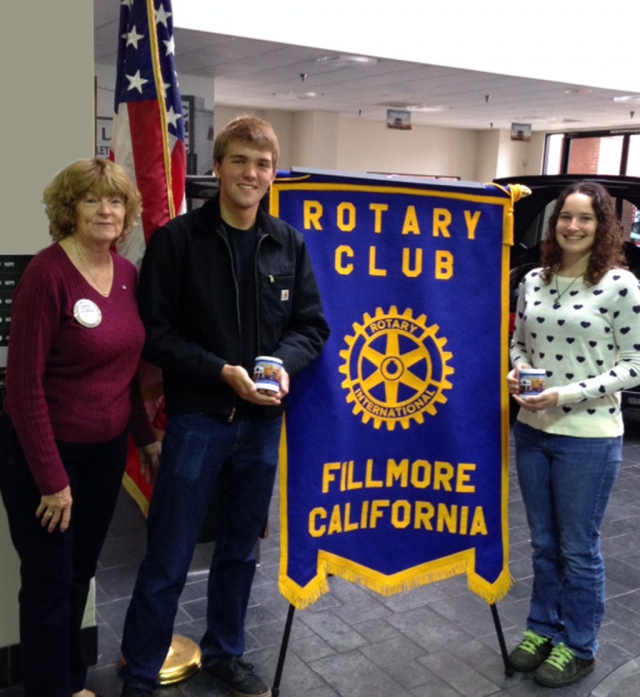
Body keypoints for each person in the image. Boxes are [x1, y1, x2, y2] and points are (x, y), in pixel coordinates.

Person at [119, 116, 330, 697]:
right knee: (168, 553)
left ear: (272, 174)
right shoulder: (178, 242)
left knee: (240, 551)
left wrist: (282, 361)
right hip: (197, 424)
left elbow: (312, 327)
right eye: (239, 161)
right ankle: (139, 670)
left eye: (262, 165)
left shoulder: (287, 242)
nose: (251, 173)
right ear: (218, 167)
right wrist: (221, 373)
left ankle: (225, 652)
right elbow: (155, 334)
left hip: (262, 429)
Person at [0, 158, 160, 697]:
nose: (106, 210)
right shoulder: (46, 275)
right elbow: (22, 389)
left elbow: (123, 371)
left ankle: (65, 682)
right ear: (69, 209)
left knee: (78, 571)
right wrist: (51, 479)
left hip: (104, 451)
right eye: (92, 200)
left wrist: (144, 436)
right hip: (44, 455)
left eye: (115, 200)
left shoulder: (126, 274)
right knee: (48, 580)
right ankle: (50, 689)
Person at [507, 181, 640, 688]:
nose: (573, 226)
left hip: (588, 435)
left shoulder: (620, 285)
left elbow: (634, 364)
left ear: (603, 226)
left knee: (578, 548)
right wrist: (518, 371)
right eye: (566, 216)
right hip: (532, 430)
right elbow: (519, 343)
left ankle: (578, 644)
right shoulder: (535, 280)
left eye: (586, 218)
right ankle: (542, 628)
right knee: (543, 543)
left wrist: (565, 394)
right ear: (554, 221)